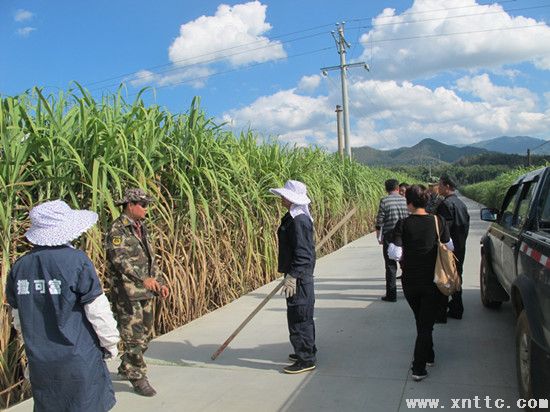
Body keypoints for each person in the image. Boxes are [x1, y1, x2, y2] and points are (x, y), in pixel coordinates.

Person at [5, 200, 119, 412]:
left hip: (41, 362)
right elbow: (97, 310)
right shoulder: (76, 261)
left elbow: (19, 319)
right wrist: (110, 344)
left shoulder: (20, 267)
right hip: (78, 358)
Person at [105, 188, 170, 397]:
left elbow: (151, 259)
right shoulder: (117, 229)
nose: (145, 209)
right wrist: (143, 279)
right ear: (130, 205)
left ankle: (126, 365)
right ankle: (137, 376)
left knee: (146, 334)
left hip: (147, 291)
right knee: (133, 337)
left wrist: (159, 283)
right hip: (127, 292)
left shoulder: (142, 227)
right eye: (142, 205)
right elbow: (119, 260)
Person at [388, 185, 453, 381]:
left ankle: (428, 355)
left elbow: (395, 253)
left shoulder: (402, 224)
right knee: (425, 324)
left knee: (421, 320)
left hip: (410, 282)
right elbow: (450, 246)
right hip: (433, 281)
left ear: (409, 202)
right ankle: (419, 367)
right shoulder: (438, 221)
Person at [270, 180, 317, 374]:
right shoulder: (293, 217)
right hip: (296, 273)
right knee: (299, 314)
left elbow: (304, 253)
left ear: (292, 198)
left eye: (284, 195)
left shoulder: (299, 220)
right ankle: (305, 350)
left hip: (299, 276)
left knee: (300, 316)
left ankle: (306, 359)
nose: (281, 198)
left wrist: (293, 276)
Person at [436, 174, 470, 320]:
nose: (439, 187)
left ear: (448, 186)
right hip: (460, 246)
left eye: (440, 184)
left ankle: (447, 311)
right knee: (456, 276)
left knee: (445, 278)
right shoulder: (460, 203)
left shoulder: (446, 204)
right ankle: (457, 306)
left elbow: (444, 228)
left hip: (449, 248)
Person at [375, 179, 409, 302]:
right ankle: (408, 291)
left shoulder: (384, 200)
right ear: (397, 188)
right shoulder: (405, 200)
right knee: (406, 263)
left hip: (390, 235)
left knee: (390, 265)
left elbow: (380, 220)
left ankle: (391, 294)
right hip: (405, 235)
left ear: (386, 188)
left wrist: (379, 236)